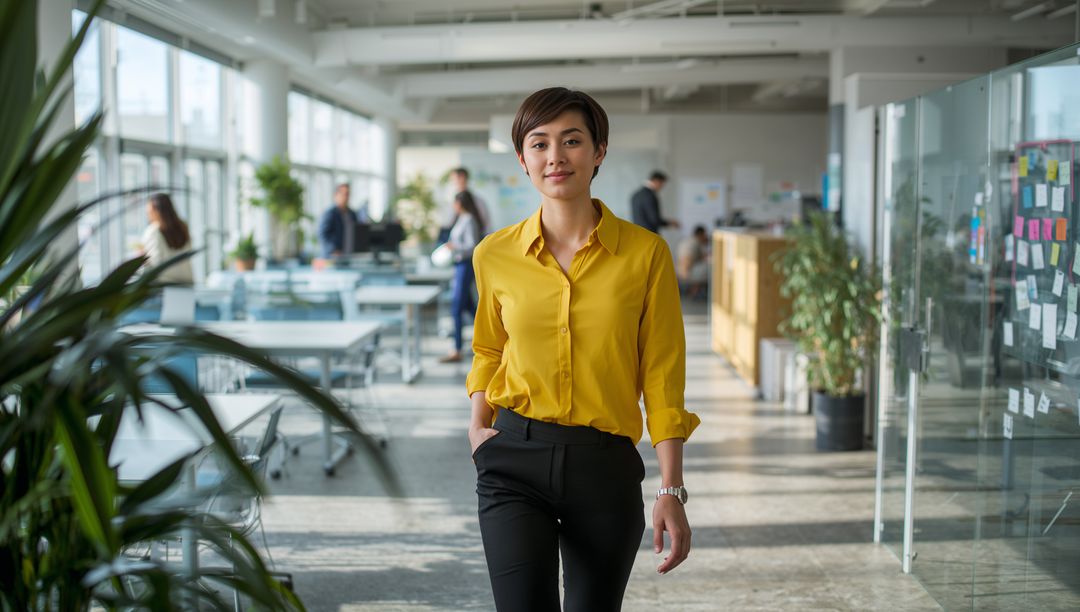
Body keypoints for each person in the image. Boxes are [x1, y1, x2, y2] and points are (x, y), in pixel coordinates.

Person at [467, 87, 700, 611]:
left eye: (572, 140)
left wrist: (671, 489)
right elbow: (488, 347)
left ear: (598, 152)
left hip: (605, 467)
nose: (556, 156)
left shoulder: (646, 254)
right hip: (512, 457)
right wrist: (477, 428)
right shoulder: (495, 253)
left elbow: (663, 372)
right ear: (523, 159)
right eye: (539, 143)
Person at [439, 192, 486, 364]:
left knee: (456, 308)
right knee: (468, 306)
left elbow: (473, 246)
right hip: (459, 265)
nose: (453, 206)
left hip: (466, 265)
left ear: (461, 203)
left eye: (455, 202)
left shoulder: (469, 220)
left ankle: (456, 349)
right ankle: (492, 336)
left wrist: (454, 247)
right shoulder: (461, 218)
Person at [139, 193, 193, 285]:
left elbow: (155, 263)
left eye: (149, 211)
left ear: (156, 211)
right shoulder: (183, 227)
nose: (148, 214)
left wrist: (141, 258)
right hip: (186, 283)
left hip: (164, 286)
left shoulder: (153, 231)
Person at [318, 183, 364, 258]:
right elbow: (322, 234)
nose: (346, 197)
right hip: (333, 256)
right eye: (344, 194)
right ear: (336, 195)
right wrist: (333, 249)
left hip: (349, 255)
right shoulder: (330, 214)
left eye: (348, 194)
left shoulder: (352, 214)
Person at [444, 167, 491, 236]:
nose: (452, 182)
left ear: (462, 178)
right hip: (456, 238)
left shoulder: (478, 201)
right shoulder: (451, 200)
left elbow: (486, 223)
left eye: (453, 179)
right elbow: (448, 222)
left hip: (476, 239)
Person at [677, 225, 710, 299]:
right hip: (687, 272)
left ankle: (693, 290)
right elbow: (702, 258)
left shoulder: (686, 240)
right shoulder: (696, 242)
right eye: (705, 234)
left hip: (678, 271)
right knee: (710, 268)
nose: (706, 236)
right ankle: (695, 291)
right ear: (701, 234)